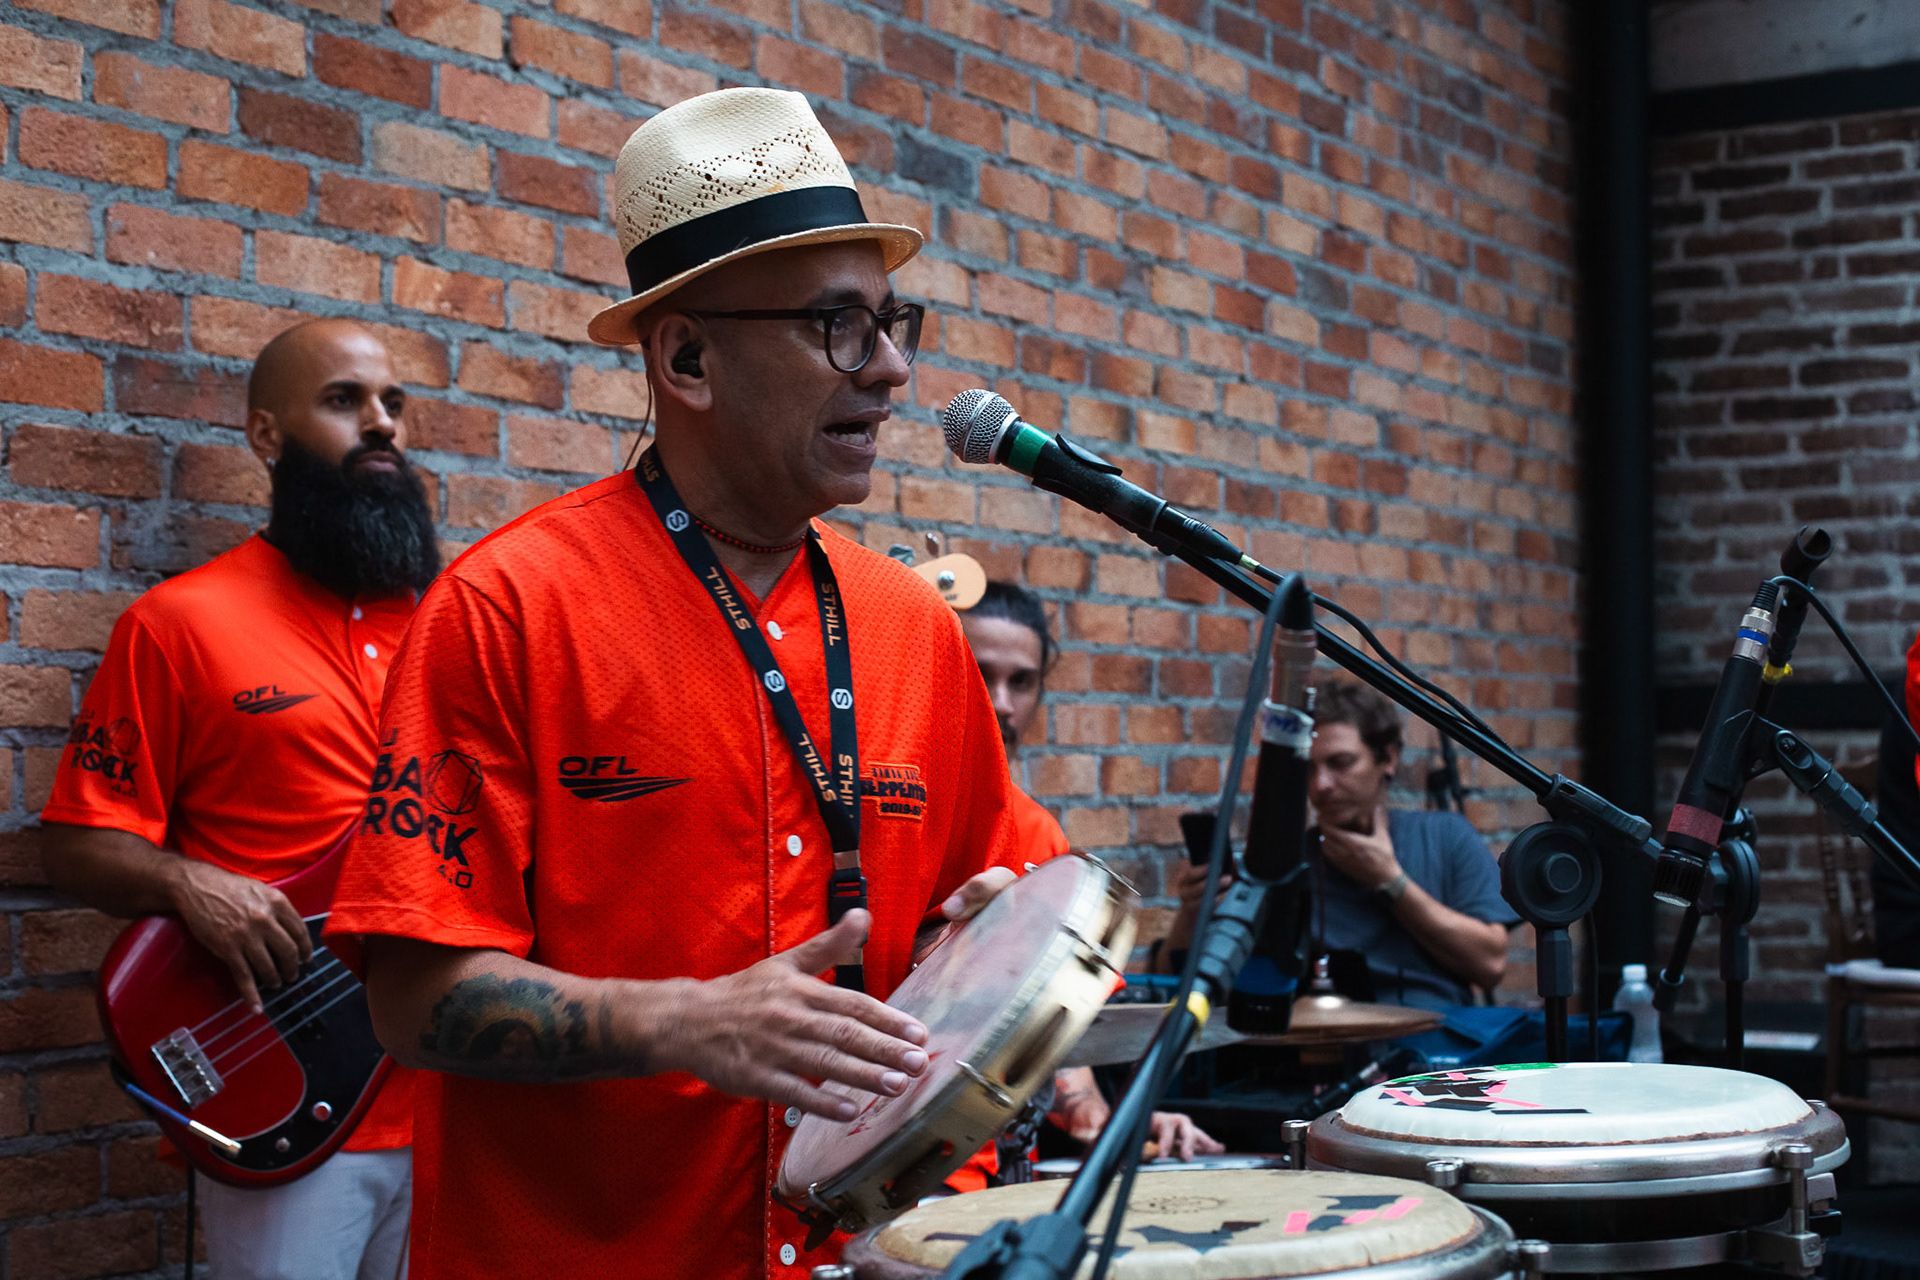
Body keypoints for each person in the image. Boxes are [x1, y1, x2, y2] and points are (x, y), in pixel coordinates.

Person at [322, 89, 1027, 1279]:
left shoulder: (916, 627)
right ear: (688, 357)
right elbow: (411, 997)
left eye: (892, 321)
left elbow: (960, 921)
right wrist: (687, 1021)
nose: (894, 368)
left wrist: (980, 947)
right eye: (839, 325)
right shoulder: (510, 606)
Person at [40, 319, 437, 1280]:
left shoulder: (451, 625)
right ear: (267, 434)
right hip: (285, 1090)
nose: (381, 424)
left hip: (454, 1090)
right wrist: (188, 884)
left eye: (393, 404)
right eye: (344, 401)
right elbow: (77, 844)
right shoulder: (178, 624)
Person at [958, 580, 1223, 1166]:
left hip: (995, 1173)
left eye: (1022, 682)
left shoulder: (1040, 836)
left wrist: (1114, 1120)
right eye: (980, 673)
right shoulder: (885, 814)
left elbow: (1052, 1026)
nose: (1002, 703)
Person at [1162, 680, 1517, 1011]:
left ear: (1388, 758)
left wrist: (1389, 881)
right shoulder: (1285, 864)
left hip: (1438, 1044)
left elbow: (1490, 964)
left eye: (1341, 763)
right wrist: (1191, 916)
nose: (1322, 785)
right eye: (1308, 769)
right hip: (1322, 1045)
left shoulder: (1445, 835)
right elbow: (1169, 983)